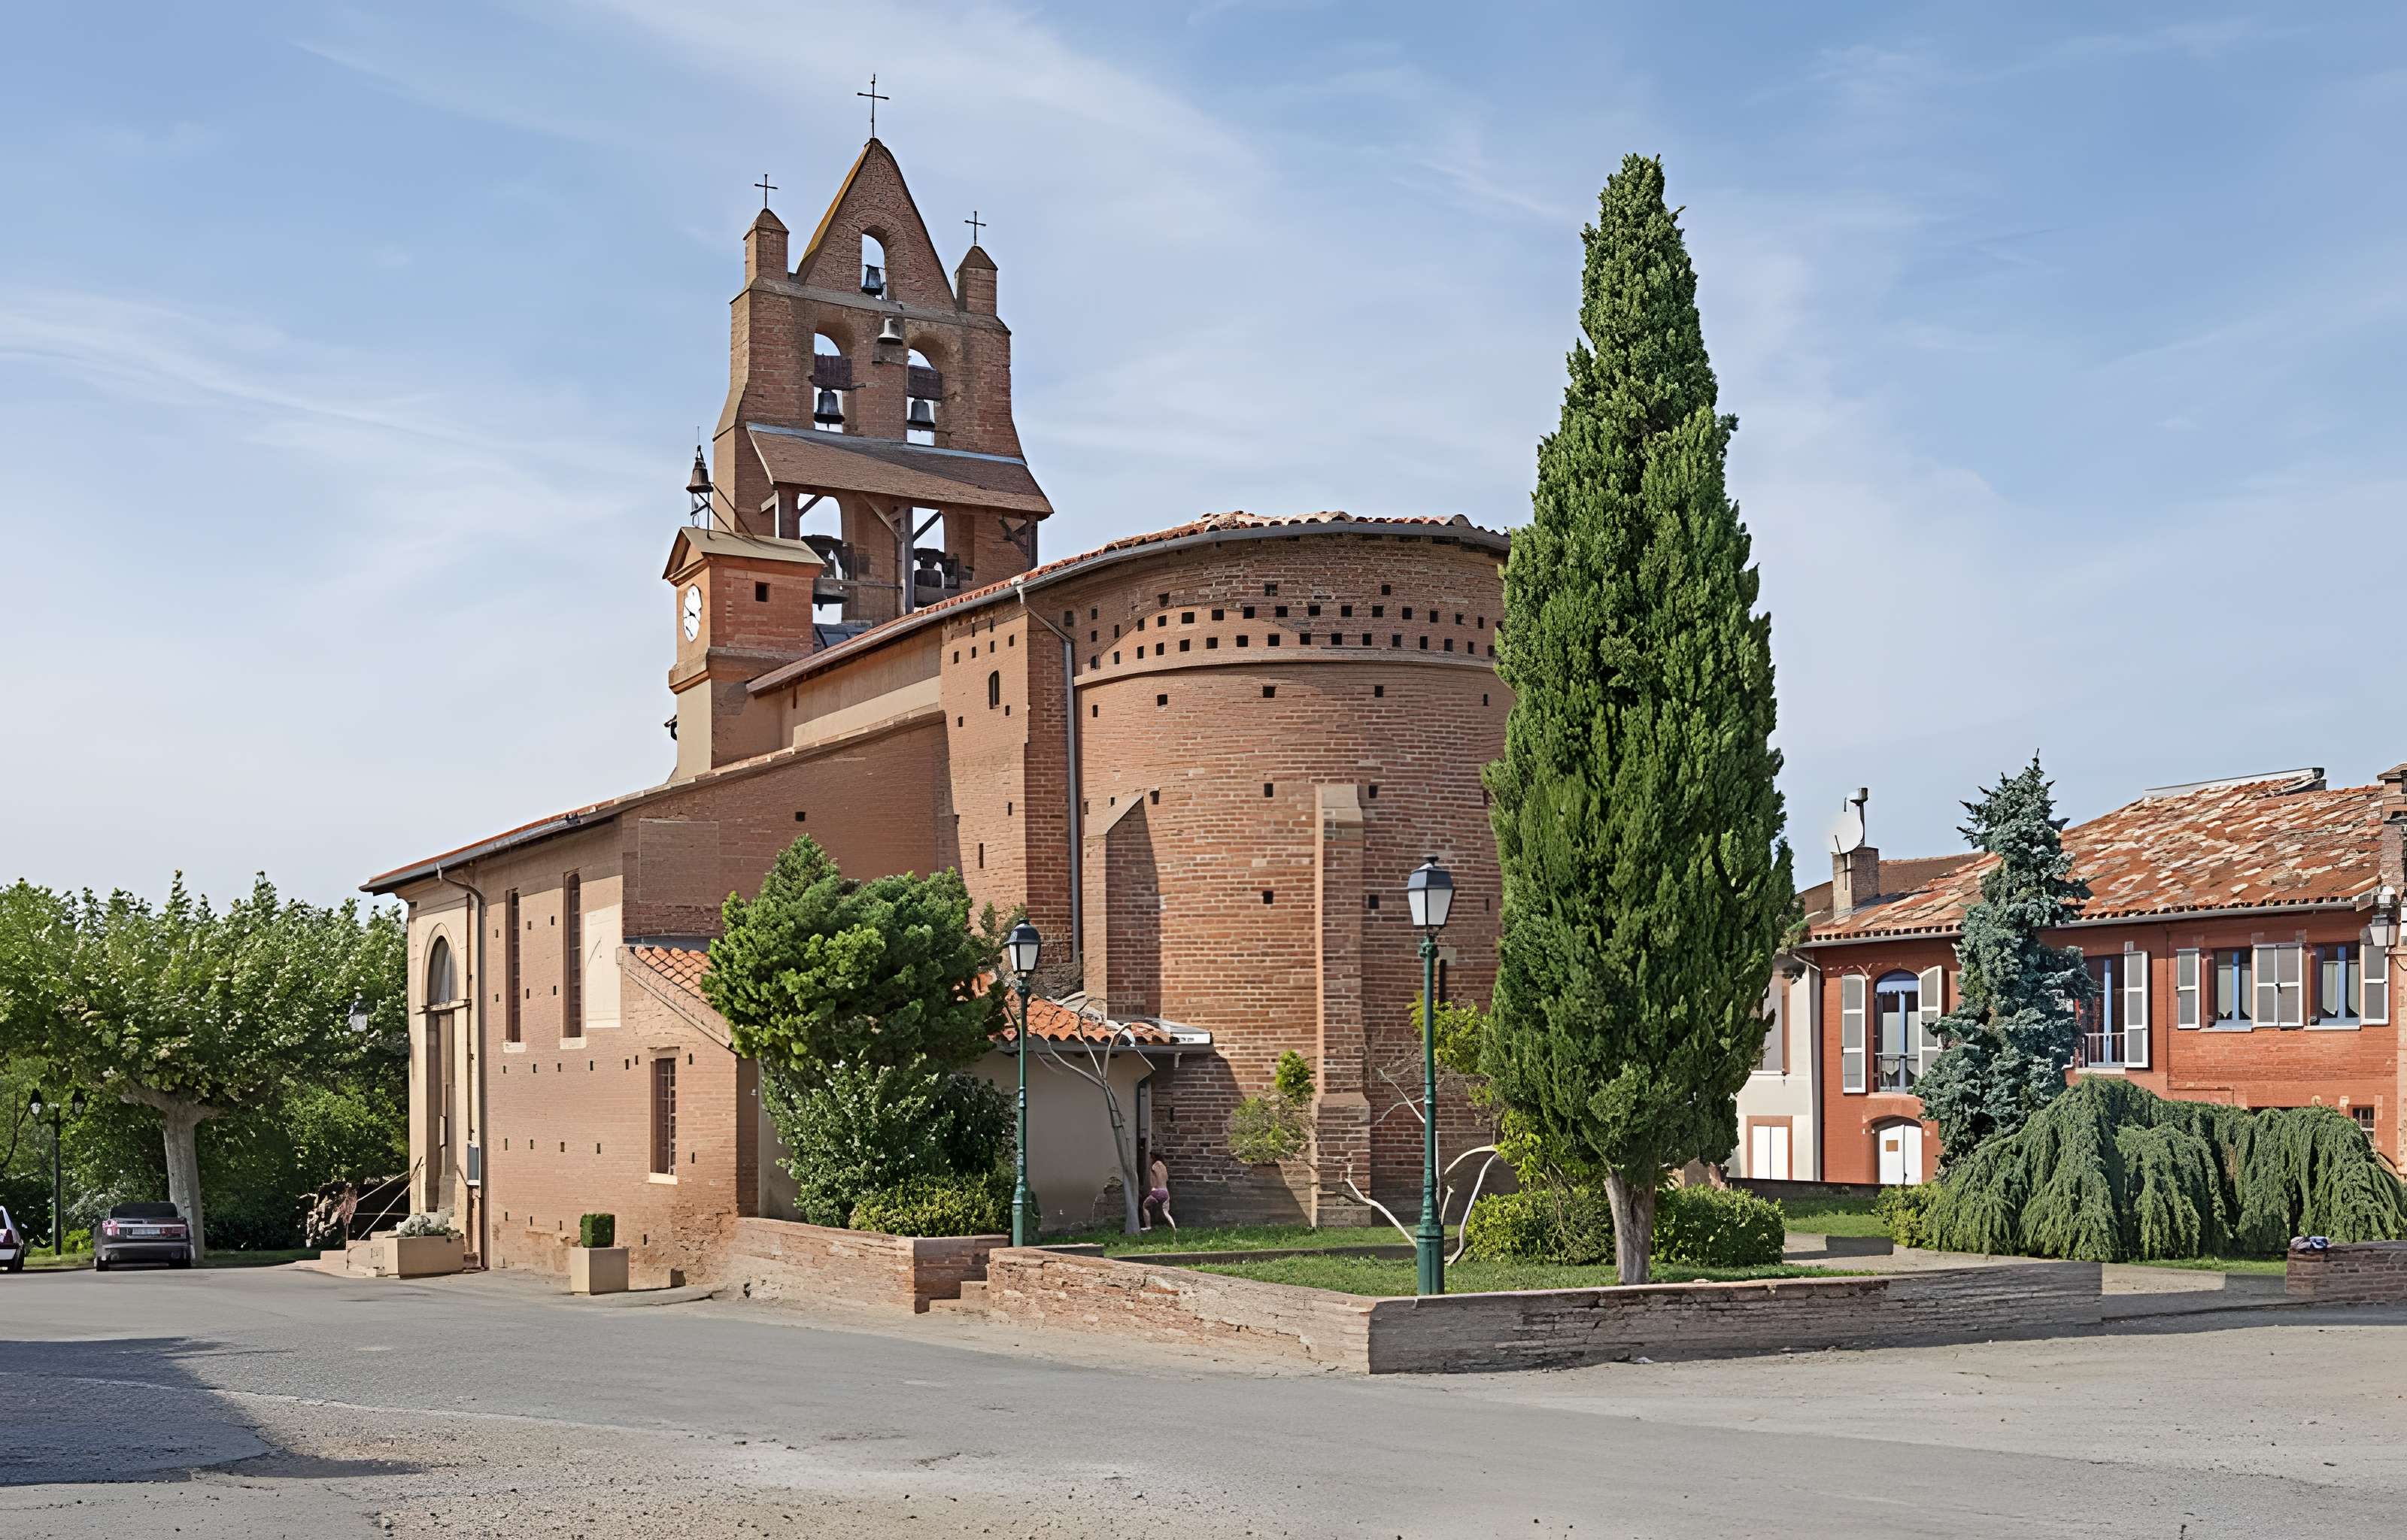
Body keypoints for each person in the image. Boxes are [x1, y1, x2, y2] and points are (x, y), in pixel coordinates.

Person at [1142, 1156, 1176, 1232]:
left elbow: (1153, 1183)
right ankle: (1174, 1228)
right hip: (1166, 1193)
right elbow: (1167, 1179)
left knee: (1145, 1207)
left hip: (1156, 1192)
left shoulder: (1154, 1167)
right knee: (1166, 1212)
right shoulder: (1164, 1167)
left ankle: (1148, 1227)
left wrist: (1152, 1190)